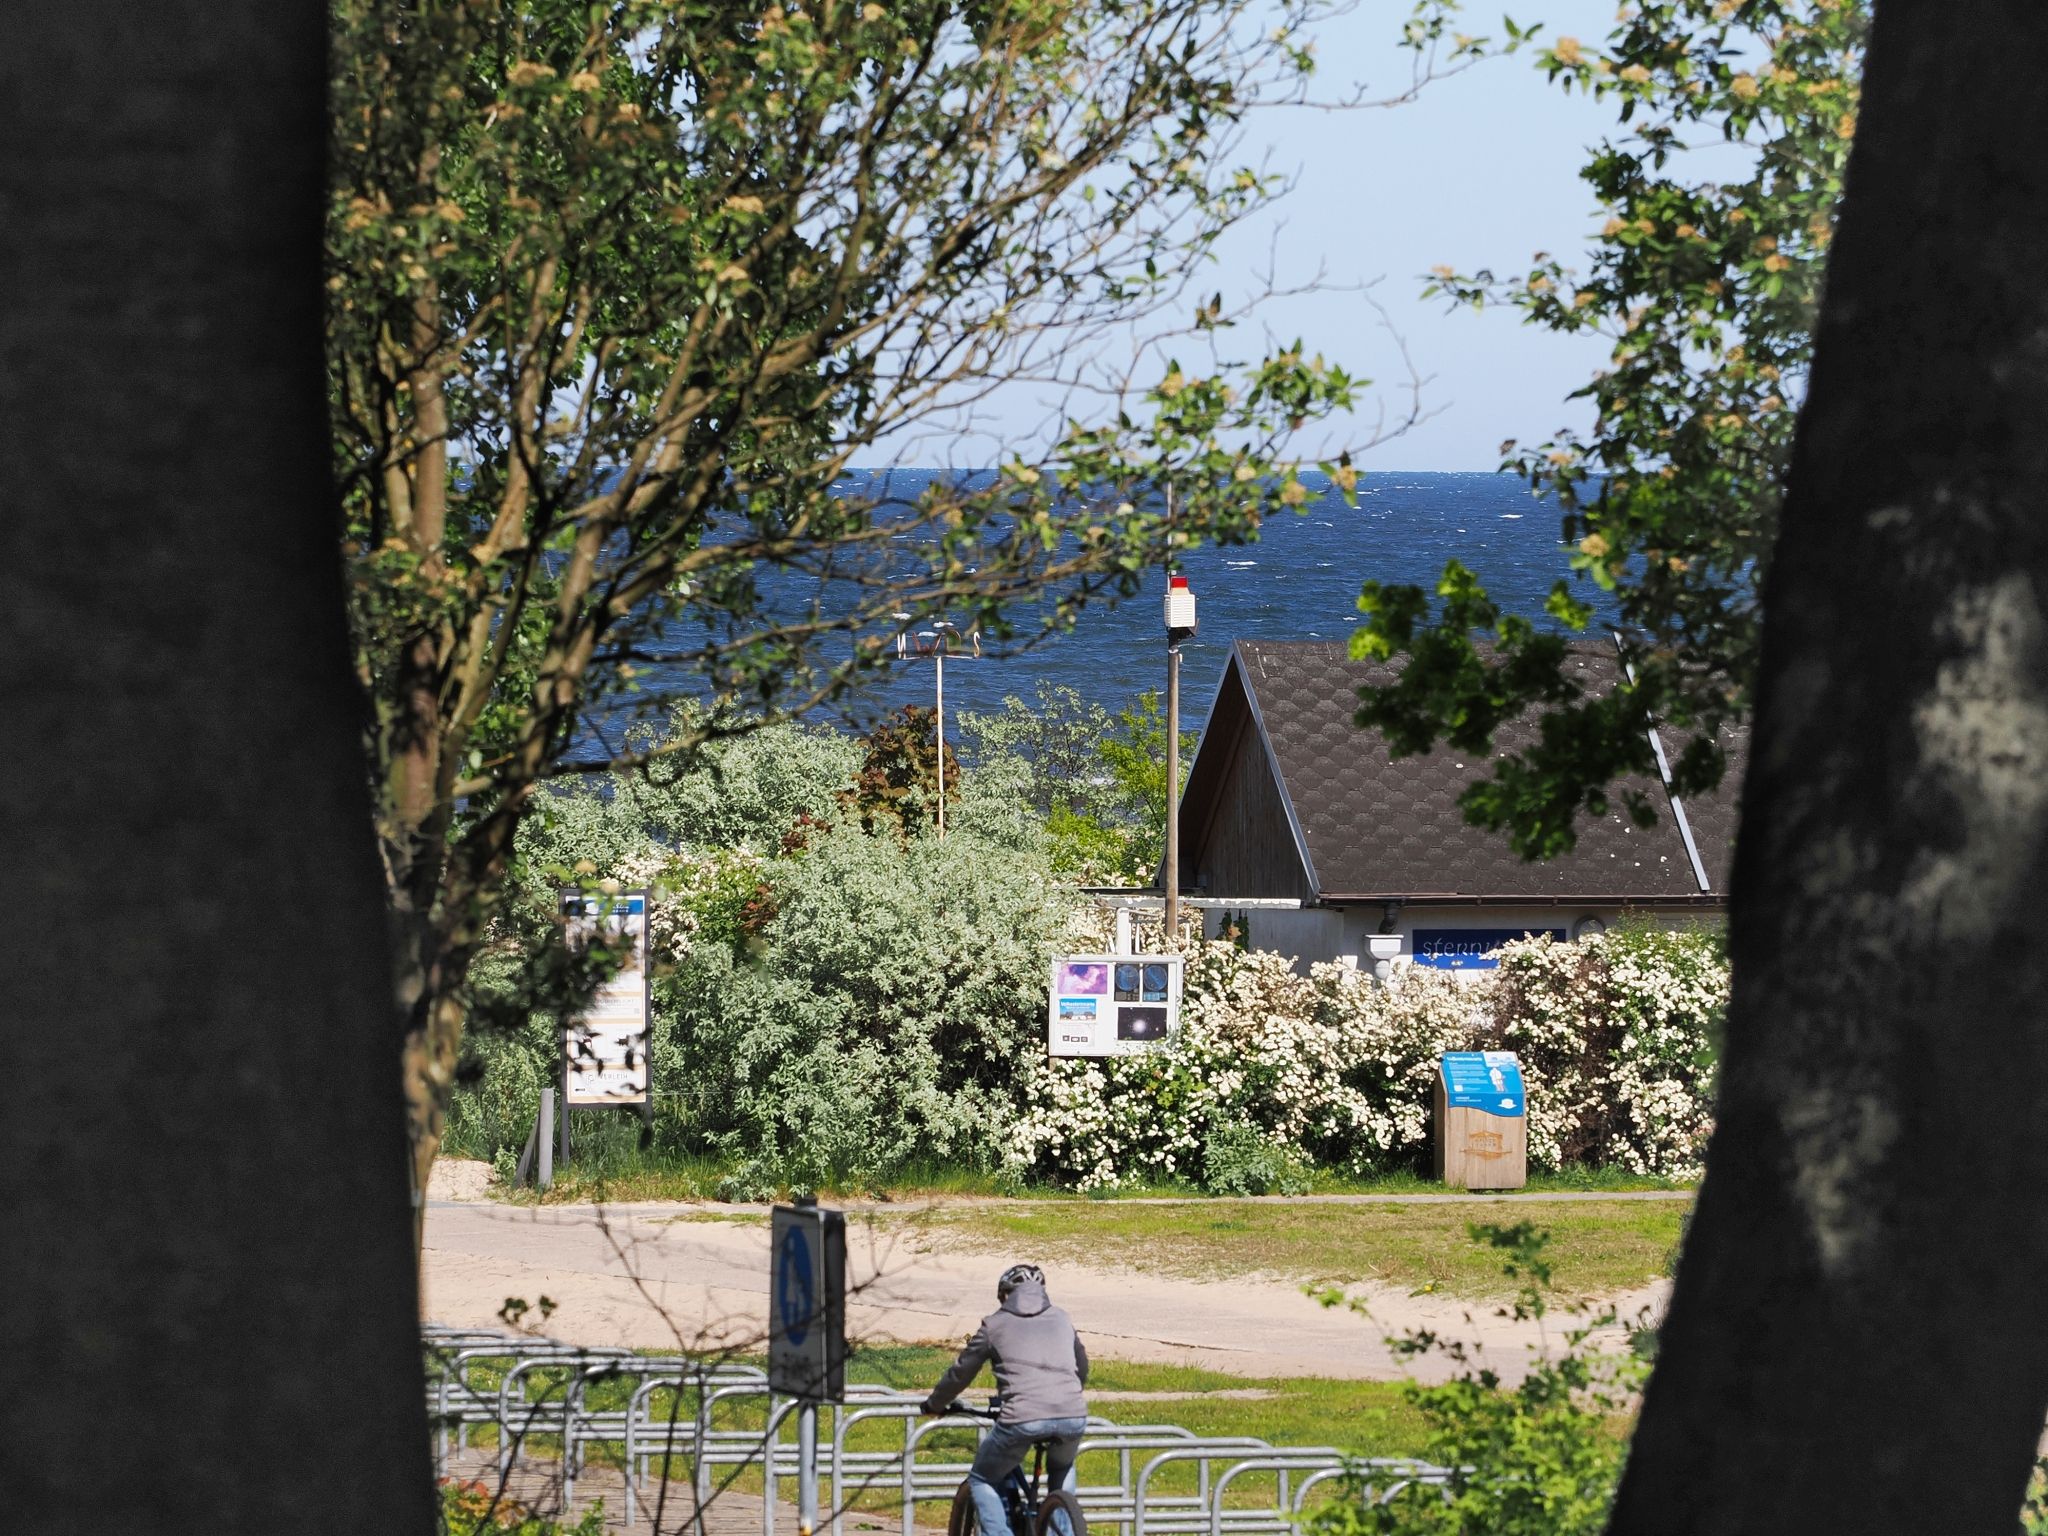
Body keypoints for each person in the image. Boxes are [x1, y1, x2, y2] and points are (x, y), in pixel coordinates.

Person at [921, 1264, 1090, 1536]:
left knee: (982, 1478)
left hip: (1022, 1418)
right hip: (1072, 1415)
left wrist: (934, 1405)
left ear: (1004, 1296)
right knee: (1062, 1468)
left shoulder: (994, 1325)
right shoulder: (1061, 1318)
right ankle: (1062, 1530)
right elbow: (1081, 1368)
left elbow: (960, 1373)